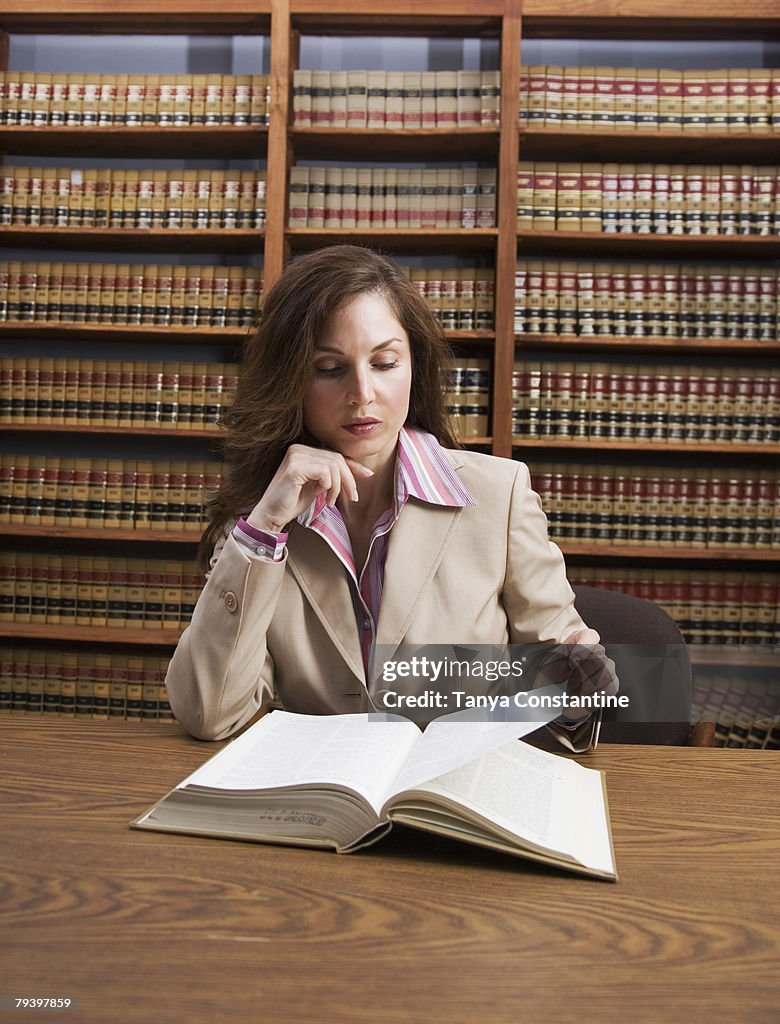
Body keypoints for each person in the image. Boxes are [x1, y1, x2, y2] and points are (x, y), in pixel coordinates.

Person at [165, 245, 618, 748]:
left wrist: (577, 689)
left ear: (412, 365)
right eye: (329, 369)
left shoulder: (500, 493)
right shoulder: (260, 520)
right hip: (320, 803)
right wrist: (264, 527)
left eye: (384, 362)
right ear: (291, 380)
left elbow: (564, 692)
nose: (363, 393)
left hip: (453, 801)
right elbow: (209, 714)